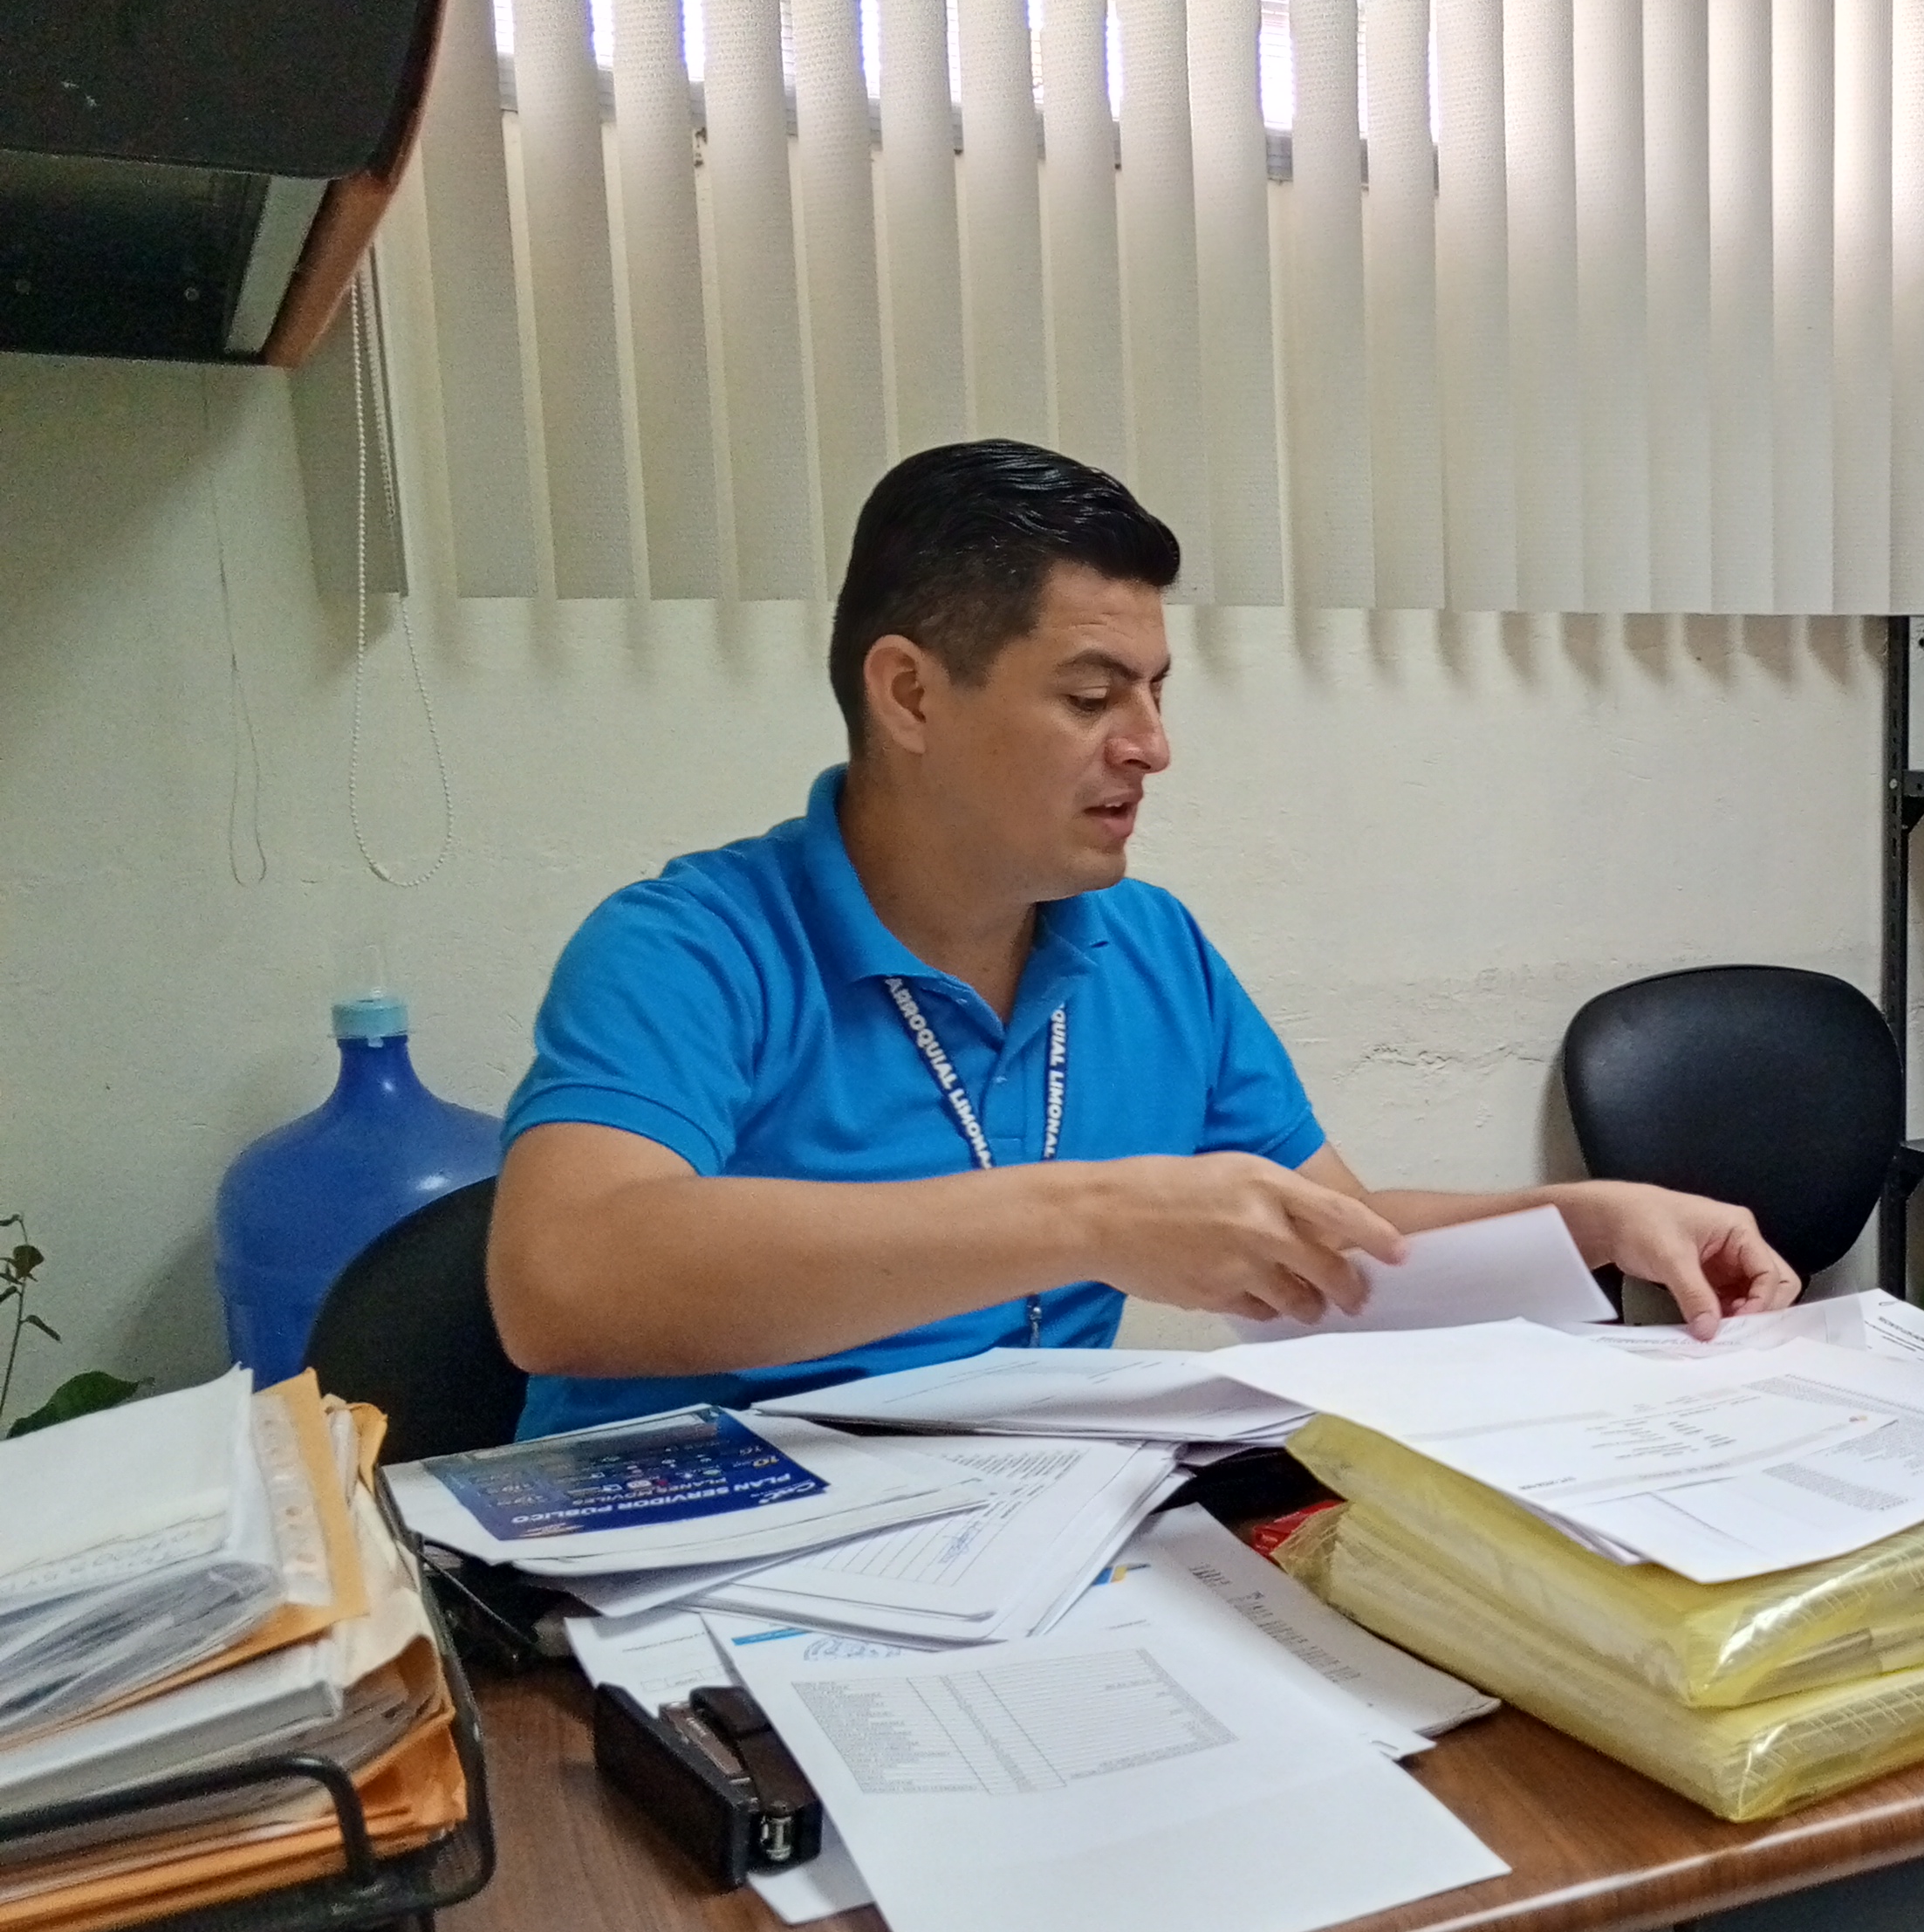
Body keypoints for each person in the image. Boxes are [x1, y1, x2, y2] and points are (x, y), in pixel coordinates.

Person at [489, 441, 1796, 1436]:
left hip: (1033, 1538)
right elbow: (560, 1283)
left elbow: (1330, 1239)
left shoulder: (1149, 947)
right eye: (1090, 697)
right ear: (911, 695)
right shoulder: (691, 948)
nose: (1152, 748)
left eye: (1157, 694)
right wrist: (1093, 1215)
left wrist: (1580, 1221)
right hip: (696, 1573)